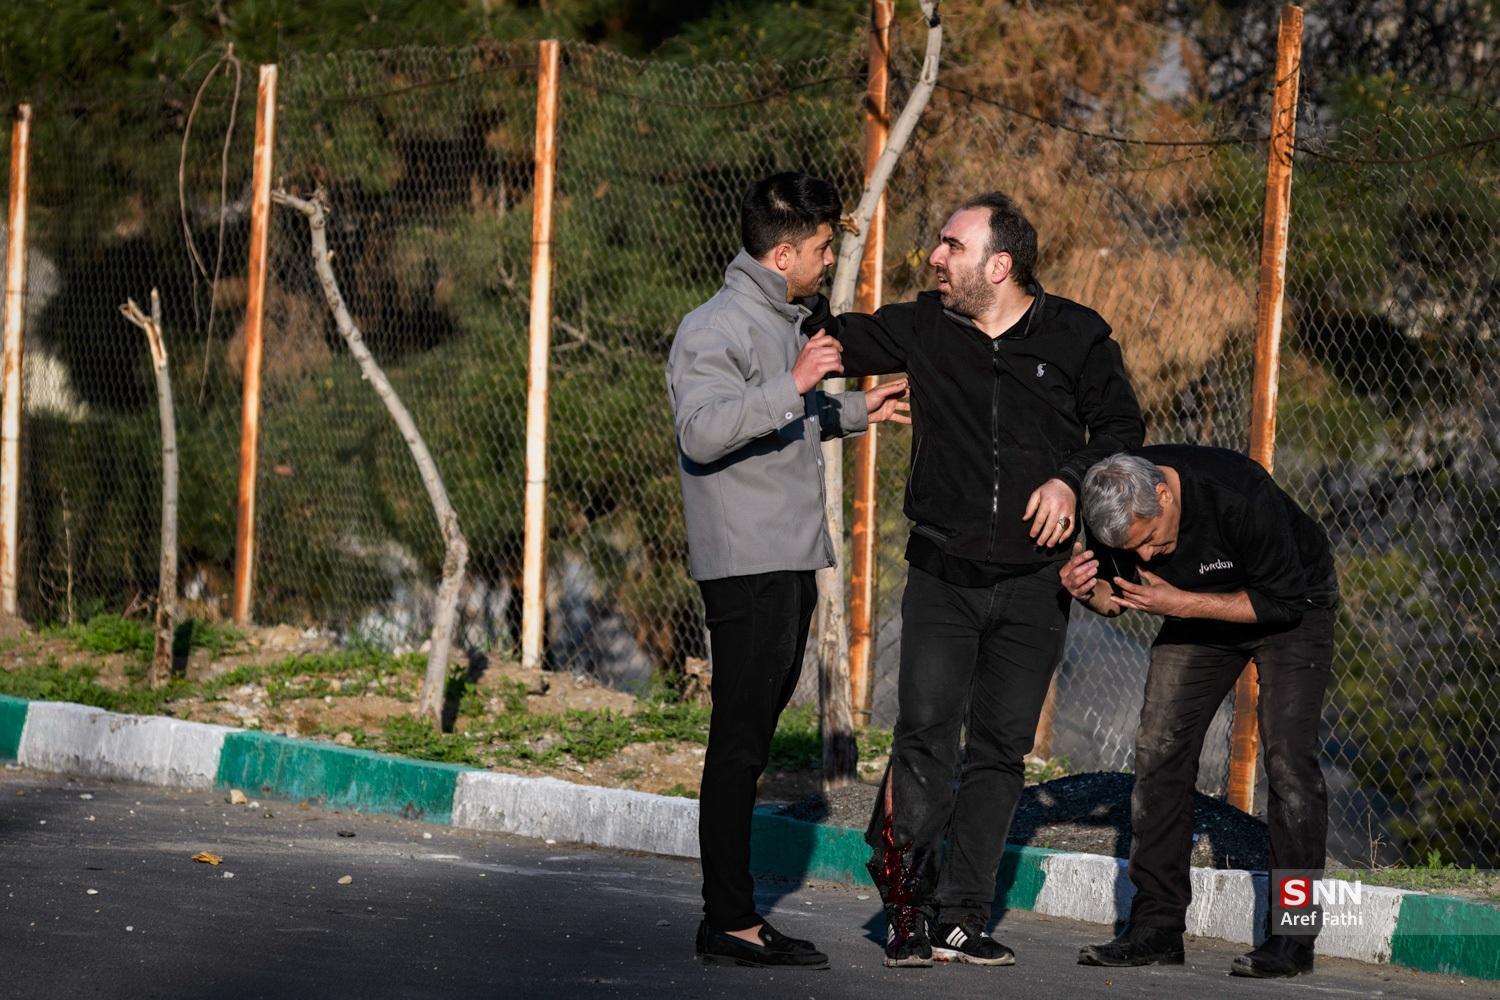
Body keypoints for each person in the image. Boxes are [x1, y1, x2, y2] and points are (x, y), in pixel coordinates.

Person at [807, 192, 1144, 967]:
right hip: (943, 574)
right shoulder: (923, 325)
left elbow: (1122, 429)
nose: (935, 256)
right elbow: (829, 342)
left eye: (951, 246)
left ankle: (963, 915)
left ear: (999, 265)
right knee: (926, 734)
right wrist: (788, 276)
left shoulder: (1077, 335)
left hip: (1036, 583)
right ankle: (906, 909)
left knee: (999, 752)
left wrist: (1069, 479)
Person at [666, 172, 910, 969]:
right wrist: (798, 381)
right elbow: (703, 431)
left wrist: (857, 409)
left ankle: (731, 916)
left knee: (751, 743)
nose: (829, 260)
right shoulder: (715, 327)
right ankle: (729, 921)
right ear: (782, 255)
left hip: (786, 559)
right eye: (821, 249)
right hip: (748, 566)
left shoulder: (781, 320)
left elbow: (783, 417)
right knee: (737, 746)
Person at [1065, 446, 1338, 979]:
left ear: (1163, 495)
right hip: (1194, 615)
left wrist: (1181, 604)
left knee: (1287, 762)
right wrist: (1087, 591)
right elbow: (1116, 599)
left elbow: (1283, 602)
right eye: (1132, 549)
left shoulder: (1238, 493)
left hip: (1292, 609)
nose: (1146, 556)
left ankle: (1294, 936)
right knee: (1158, 751)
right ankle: (1156, 928)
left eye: (1149, 538)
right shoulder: (1112, 512)